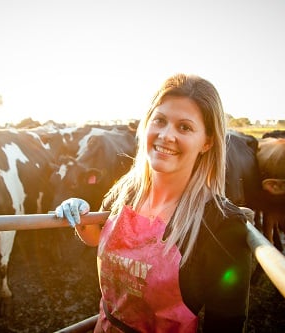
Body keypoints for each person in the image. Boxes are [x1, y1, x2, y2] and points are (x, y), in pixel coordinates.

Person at [55, 73, 252, 332]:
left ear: (207, 142)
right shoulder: (126, 191)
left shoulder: (222, 225)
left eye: (184, 127)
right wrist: (80, 215)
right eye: (159, 120)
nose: (165, 135)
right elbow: (98, 238)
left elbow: (226, 325)